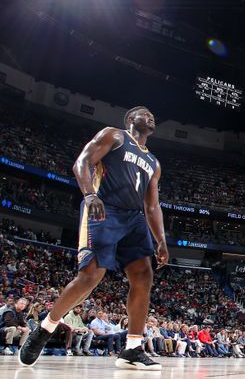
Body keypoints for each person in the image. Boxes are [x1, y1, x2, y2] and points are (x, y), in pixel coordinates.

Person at [18, 106, 169, 370]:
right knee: (91, 275)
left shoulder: (154, 162)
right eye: (145, 113)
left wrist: (161, 240)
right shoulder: (115, 136)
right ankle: (47, 326)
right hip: (105, 208)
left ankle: (132, 349)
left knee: (144, 275)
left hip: (133, 218)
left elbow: (152, 206)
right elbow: (82, 162)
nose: (151, 116)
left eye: (152, 114)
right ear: (131, 119)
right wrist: (89, 194)